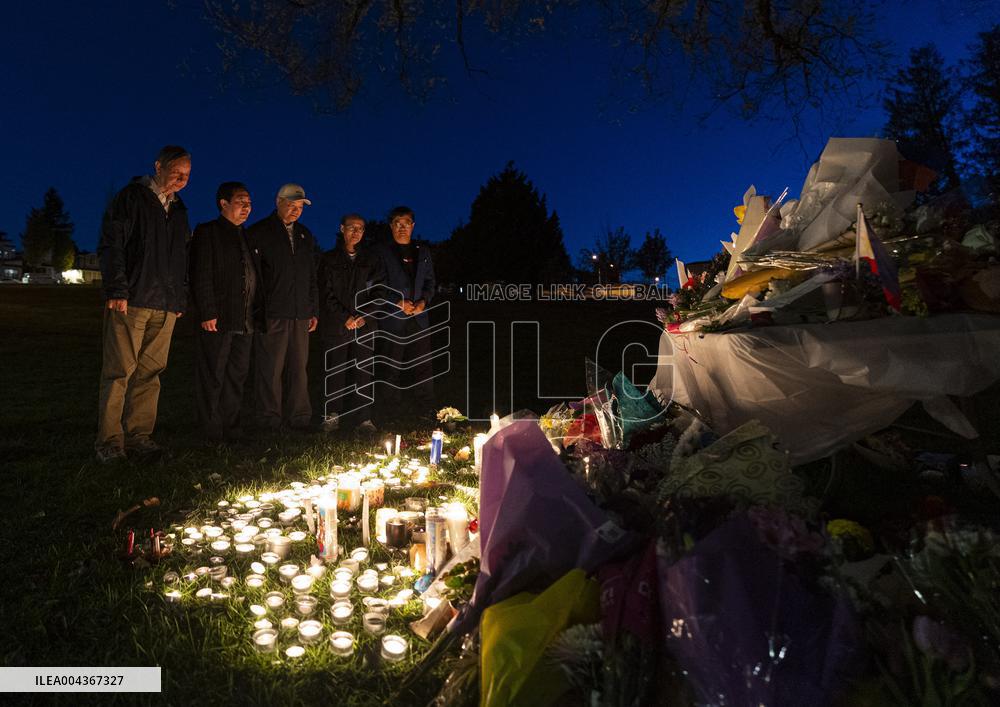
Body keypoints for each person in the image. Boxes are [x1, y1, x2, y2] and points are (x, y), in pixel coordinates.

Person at [95, 145, 192, 462]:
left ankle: (139, 436)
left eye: (186, 175)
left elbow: (182, 257)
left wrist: (179, 297)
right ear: (158, 166)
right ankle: (110, 441)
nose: (181, 179)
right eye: (176, 172)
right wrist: (117, 289)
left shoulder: (179, 210)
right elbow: (112, 244)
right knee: (119, 372)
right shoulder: (131, 198)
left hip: (165, 306)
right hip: (133, 300)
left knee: (151, 374)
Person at [189, 182, 258, 443]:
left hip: (245, 319)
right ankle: (210, 428)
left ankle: (232, 425)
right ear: (223, 204)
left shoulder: (246, 236)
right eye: (241, 201)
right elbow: (201, 273)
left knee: (237, 376)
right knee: (213, 375)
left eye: (249, 203)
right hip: (218, 318)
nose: (247, 207)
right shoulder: (208, 232)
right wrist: (207, 311)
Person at [247, 184, 318, 431]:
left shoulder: (305, 235)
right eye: (291, 205)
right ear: (278, 202)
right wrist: (257, 310)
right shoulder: (259, 232)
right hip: (273, 313)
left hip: (300, 313)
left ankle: (300, 417)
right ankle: (268, 418)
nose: (296, 210)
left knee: (299, 369)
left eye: (300, 206)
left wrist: (313, 310)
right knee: (270, 368)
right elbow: (252, 275)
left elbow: (311, 275)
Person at [318, 213, 386, 434]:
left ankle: (363, 418)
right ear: (342, 229)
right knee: (335, 371)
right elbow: (325, 292)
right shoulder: (329, 259)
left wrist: (364, 315)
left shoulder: (372, 260)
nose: (356, 232)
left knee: (363, 372)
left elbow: (380, 291)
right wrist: (344, 317)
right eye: (351, 227)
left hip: (364, 325)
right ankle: (332, 415)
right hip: (338, 326)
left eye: (360, 228)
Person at [371, 205, 436, 419]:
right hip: (393, 318)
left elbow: (430, 282)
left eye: (406, 224)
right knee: (391, 365)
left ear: (413, 226)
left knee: (423, 366)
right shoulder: (381, 252)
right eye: (397, 224)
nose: (402, 228)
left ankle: (425, 408)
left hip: (419, 318)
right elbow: (376, 285)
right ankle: (390, 410)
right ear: (391, 226)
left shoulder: (422, 251)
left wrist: (423, 302)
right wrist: (397, 302)